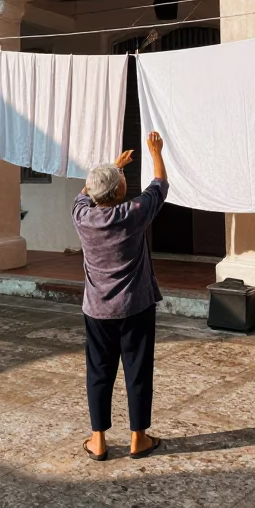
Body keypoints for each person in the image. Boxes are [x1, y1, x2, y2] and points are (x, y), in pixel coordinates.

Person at [72, 130, 168, 461]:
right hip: (135, 306)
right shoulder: (133, 214)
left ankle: (98, 440)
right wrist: (154, 151)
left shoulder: (82, 216)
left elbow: (86, 192)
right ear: (121, 191)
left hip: (97, 309)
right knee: (137, 369)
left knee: (99, 371)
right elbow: (159, 185)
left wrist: (111, 170)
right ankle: (138, 438)